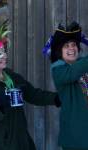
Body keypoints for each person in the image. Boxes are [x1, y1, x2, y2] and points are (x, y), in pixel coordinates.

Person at [0, 13, 60, 150]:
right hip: (0, 145)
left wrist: (56, 98)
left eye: (4, 51)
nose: (4, 56)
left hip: (21, 142)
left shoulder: (13, 78)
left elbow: (33, 94)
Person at [48, 21, 88, 150]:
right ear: (60, 51)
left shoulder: (83, 63)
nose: (71, 48)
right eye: (66, 46)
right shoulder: (58, 69)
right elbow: (72, 73)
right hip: (75, 138)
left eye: (74, 45)